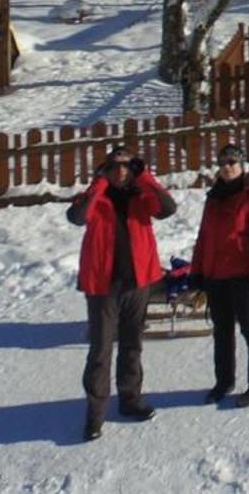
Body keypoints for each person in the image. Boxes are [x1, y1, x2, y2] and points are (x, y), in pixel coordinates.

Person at [67, 150, 176, 441]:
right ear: (106, 169)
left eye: (128, 166)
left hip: (138, 284)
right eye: (115, 166)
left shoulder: (141, 195)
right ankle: (95, 413)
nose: (122, 171)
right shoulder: (96, 197)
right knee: (100, 351)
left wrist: (145, 176)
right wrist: (99, 183)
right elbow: (77, 217)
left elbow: (168, 208)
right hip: (103, 288)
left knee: (132, 346)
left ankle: (130, 400)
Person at [192, 143, 249, 408]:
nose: (227, 168)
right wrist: (197, 271)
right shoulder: (214, 196)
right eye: (223, 163)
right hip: (216, 275)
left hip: (242, 275)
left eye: (232, 163)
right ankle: (224, 381)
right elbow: (204, 237)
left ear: (242, 165)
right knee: (222, 331)